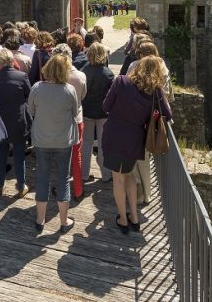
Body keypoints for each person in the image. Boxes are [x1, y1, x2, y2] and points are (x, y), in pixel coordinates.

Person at [102, 57, 172, 234]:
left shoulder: (121, 81)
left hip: (115, 133)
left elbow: (106, 106)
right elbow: (167, 114)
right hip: (135, 137)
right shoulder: (155, 91)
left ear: (138, 67)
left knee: (118, 178)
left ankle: (123, 219)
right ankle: (134, 216)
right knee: (130, 175)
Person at [28, 54, 80, 233]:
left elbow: (30, 110)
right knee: (63, 179)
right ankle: (64, 221)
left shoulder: (37, 88)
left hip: (42, 139)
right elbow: (75, 112)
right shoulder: (69, 90)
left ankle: (40, 219)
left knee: (42, 178)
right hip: (63, 140)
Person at [0, 48, 31, 197]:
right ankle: (21, 186)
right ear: (11, 60)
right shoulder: (21, 76)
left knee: (1, 154)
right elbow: (29, 95)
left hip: (0, 121)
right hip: (18, 120)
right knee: (19, 156)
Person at [52, 43, 87, 202]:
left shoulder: (52, 78)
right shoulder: (80, 76)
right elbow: (83, 96)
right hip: (76, 119)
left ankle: (60, 187)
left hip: (58, 121)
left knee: (59, 156)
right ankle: (78, 189)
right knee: (76, 156)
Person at [80, 42, 114, 183]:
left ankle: (84, 174)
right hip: (103, 113)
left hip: (87, 111)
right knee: (103, 144)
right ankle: (106, 175)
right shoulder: (108, 74)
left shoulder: (83, 71)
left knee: (86, 144)